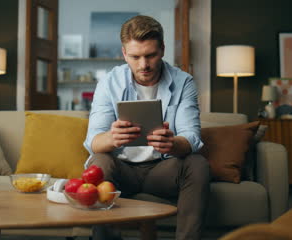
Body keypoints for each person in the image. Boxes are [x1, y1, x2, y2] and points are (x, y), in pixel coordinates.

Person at [83, 15, 210, 240]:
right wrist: (113, 137)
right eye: (135, 57)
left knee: (196, 164)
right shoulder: (108, 82)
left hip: (161, 170)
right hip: (122, 169)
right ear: (124, 54)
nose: (144, 65)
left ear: (162, 49)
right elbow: (93, 140)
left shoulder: (184, 82)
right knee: (100, 162)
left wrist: (173, 144)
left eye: (150, 55)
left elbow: (191, 138)